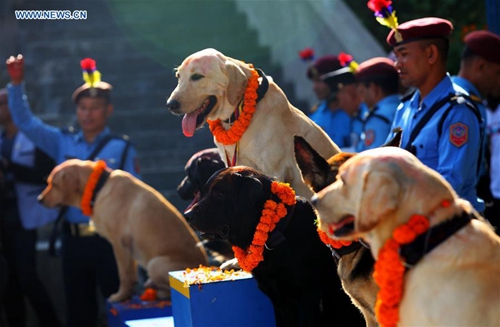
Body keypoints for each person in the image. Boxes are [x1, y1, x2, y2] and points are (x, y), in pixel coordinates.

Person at [6, 54, 140, 327]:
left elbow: (135, 200)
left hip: (111, 242)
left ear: (108, 111)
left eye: (95, 107)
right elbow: (26, 122)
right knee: (79, 313)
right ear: (76, 111)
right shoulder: (60, 142)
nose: (88, 113)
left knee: (123, 310)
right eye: (83, 108)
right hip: (74, 241)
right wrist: (17, 83)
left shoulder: (122, 147)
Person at [384, 18, 484, 212]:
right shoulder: (404, 109)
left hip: (452, 229)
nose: (397, 64)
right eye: (396, 56)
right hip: (414, 223)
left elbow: (449, 185)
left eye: (403, 55)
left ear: (431, 54)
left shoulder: (457, 111)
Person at [0, 88, 61, 327]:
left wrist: (10, 167)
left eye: (3, 103)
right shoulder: (2, 138)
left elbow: (46, 176)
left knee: (27, 277)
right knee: (9, 281)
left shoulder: (34, 139)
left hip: (25, 218)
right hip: (5, 219)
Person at [452, 30, 500, 217]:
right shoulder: (462, 103)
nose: (499, 81)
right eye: (498, 73)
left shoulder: (470, 100)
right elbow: (457, 174)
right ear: (480, 66)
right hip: (460, 209)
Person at [321, 54, 368, 152]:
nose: (340, 106)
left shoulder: (367, 116)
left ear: (352, 93)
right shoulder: (357, 117)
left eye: (339, 99)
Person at [355, 57, 400, 151]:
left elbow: (372, 156)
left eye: (362, 91)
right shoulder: (405, 107)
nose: (362, 98)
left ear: (373, 88)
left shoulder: (378, 118)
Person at [306, 55, 352, 147]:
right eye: (314, 82)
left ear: (335, 81)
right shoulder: (315, 115)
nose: (314, 87)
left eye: (319, 81)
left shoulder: (354, 109)